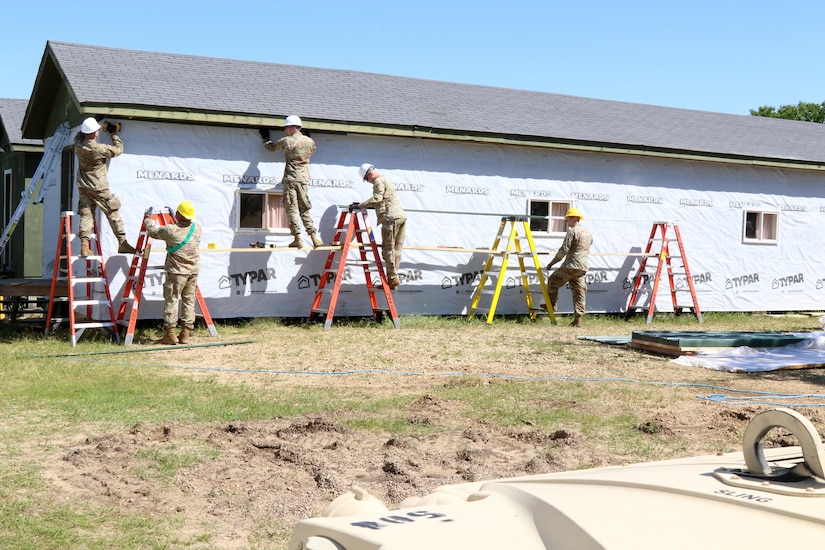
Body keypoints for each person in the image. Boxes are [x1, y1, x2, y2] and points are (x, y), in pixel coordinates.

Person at [74, 117, 136, 256]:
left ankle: (84, 246)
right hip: (99, 187)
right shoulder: (99, 148)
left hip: (84, 186)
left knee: (86, 214)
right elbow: (119, 150)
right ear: (95, 133)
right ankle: (122, 242)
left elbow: (80, 135)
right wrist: (113, 133)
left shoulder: (78, 145)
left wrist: (95, 128)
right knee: (112, 212)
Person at [259, 115, 322, 249]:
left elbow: (272, 148)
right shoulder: (310, 142)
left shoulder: (287, 141)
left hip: (290, 179)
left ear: (293, 127)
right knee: (304, 208)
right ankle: (314, 237)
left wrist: (266, 138)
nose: (285, 130)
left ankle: (297, 238)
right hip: (303, 179)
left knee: (292, 208)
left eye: (286, 127)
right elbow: (312, 150)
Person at [143, 201, 201, 345]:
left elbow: (153, 232)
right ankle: (185, 334)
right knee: (189, 301)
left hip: (177, 273)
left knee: (172, 300)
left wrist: (148, 219)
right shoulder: (197, 228)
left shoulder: (170, 230)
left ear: (179, 214)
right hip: (193, 271)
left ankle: (170, 334)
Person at [352, 163, 407, 290]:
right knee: (396, 250)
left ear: (369, 174)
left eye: (367, 179)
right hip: (400, 216)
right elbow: (381, 200)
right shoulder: (386, 180)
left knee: (388, 249)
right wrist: (363, 204)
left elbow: (377, 198)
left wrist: (360, 206)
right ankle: (392, 279)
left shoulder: (378, 181)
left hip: (390, 218)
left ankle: (392, 278)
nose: (369, 182)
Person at [544, 207, 593, 327]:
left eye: (568, 218)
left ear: (575, 218)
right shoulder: (588, 233)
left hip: (571, 265)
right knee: (579, 292)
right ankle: (578, 320)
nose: (567, 221)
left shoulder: (572, 231)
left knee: (553, 281)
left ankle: (551, 304)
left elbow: (564, 250)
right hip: (582, 267)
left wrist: (551, 263)